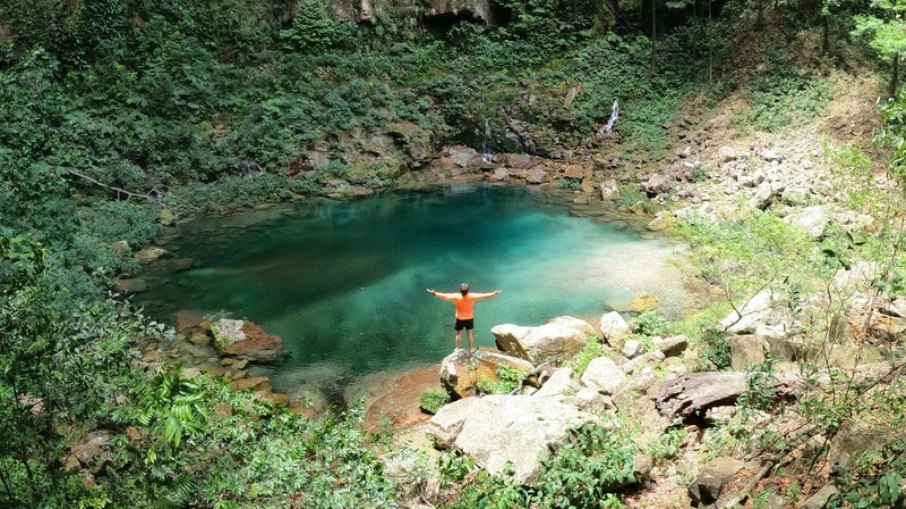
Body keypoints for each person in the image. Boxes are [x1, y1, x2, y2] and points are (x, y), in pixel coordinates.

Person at [427, 283, 501, 353]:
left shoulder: (456, 297)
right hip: (469, 318)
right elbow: (485, 296)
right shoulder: (472, 296)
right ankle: (471, 348)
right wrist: (494, 293)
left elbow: (445, 296)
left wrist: (434, 293)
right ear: (468, 290)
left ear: (460, 290)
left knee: (458, 334)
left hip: (459, 319)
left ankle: (458, 349)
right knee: (470, 333)